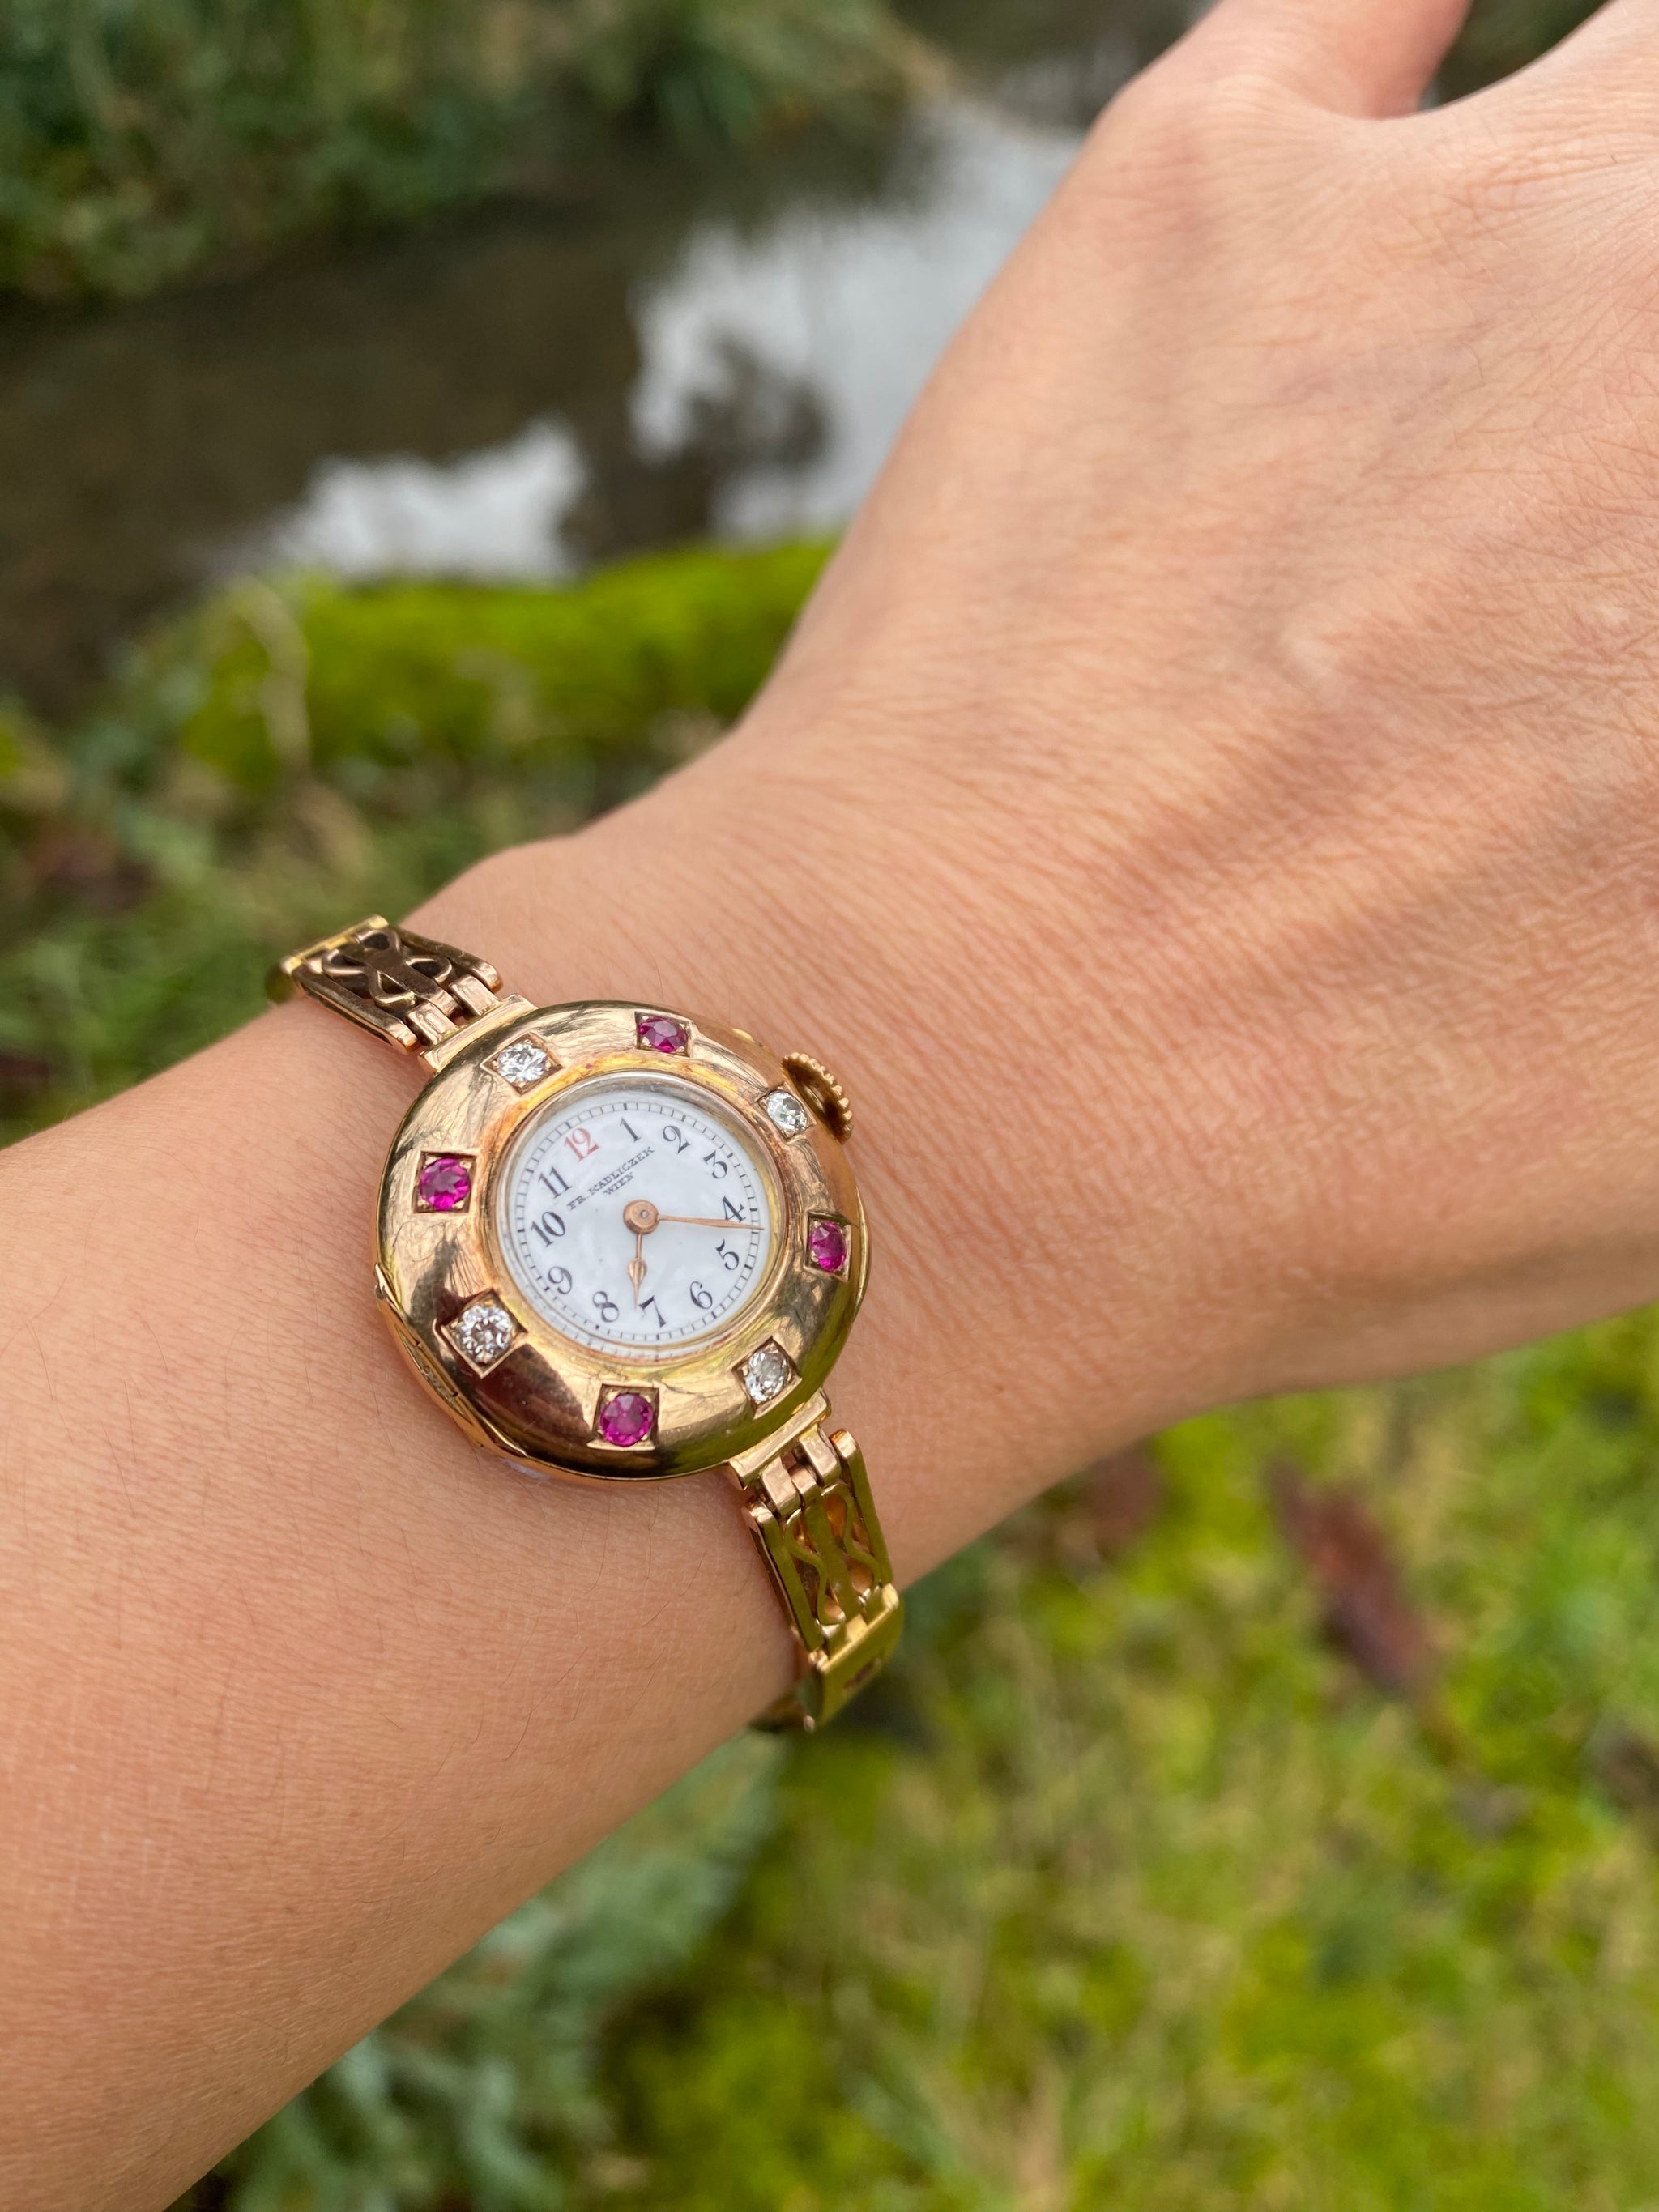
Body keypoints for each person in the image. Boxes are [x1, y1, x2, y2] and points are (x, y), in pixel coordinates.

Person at [6, 0, 1659, 2198]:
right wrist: (964, 1026)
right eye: (643, 1216)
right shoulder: (539, 1169)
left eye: (661, 1216)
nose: (647, 1220)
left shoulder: (714, 1241)